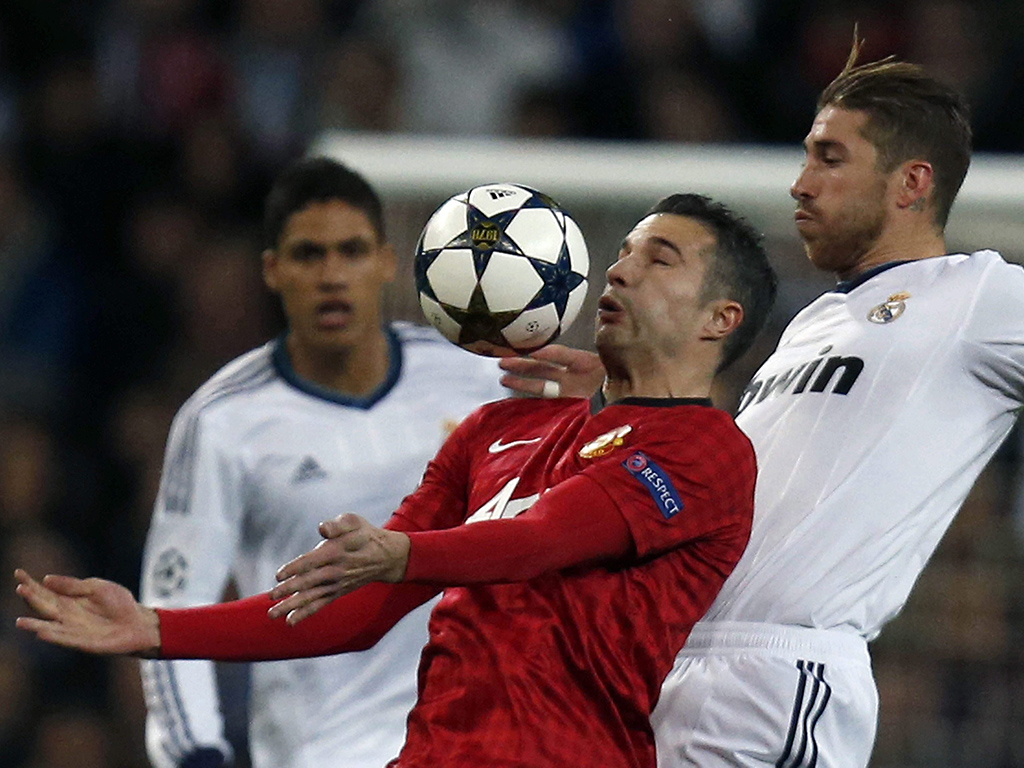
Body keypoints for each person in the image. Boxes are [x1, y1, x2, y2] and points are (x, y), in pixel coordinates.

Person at [14, 193, 779, 768]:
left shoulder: (708, 452)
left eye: (659, 260)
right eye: (624, 251)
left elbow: (544, 539)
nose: (618, 268)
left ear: (720, 319)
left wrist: (404, 554)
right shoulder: (497, 429)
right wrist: (157, 630)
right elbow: (355, 606)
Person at [500, 41, 1024, 767]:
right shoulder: (813, 323)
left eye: (830, 159)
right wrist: (624, 398)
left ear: (912, 182)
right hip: (678, 669)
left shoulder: (979, 296)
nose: (801, 185)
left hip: (783, 679)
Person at [135, 156, 508, 768]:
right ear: (273, 270)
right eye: (309, 255)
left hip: (481, 740)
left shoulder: (478, 381)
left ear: (387, 262)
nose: (332, 276)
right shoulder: (222, 422)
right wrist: (197, 754)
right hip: (324, 751)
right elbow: (174, 608)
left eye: (352, 251)